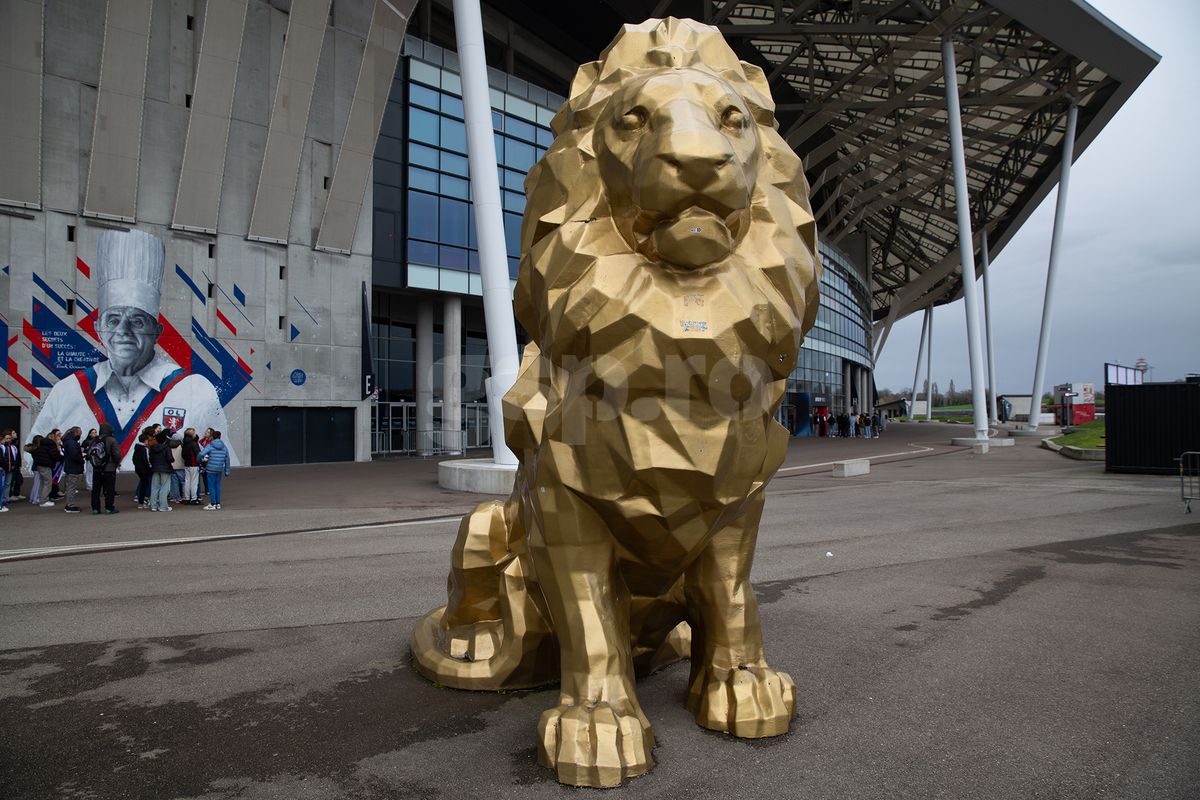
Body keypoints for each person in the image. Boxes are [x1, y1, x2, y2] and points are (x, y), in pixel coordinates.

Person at [30, 229, 235, 470]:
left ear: (157, 331)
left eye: (137, 321)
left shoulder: (195, 388)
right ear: (98, 329)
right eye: (113, 320)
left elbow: (225, 455)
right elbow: (31, 454)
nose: (123, 331)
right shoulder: (67, 391)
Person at [89, 423, 121, 515]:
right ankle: (109, 508)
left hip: (96, 468)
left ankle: (95, 508)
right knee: (109, 489)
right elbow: (116, 454)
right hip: (109, 468)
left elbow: (89, 454)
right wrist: (116, 463)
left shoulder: (94, 440)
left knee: (96, 489)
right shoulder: (111, 440)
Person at [30, 431, 63, 507]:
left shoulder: (42, 444)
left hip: (40, 464)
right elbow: (54, 455)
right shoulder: (51, 444)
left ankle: (41, 498)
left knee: (43, 482)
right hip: (46, 464)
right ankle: (44, 500)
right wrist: (62, 458)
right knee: (47, 482)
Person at [148, 430, 177, 512]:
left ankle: (153, 506)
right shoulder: (167, 448)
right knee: (165, 487)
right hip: (165, 469)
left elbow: (150, 459)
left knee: (154, 487)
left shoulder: (152, 448)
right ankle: (163, 506)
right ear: (164, 440)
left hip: (155, 468)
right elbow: (170, 458)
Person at [200, 430, 230, 510]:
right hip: (219, 469)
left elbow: (202, 454)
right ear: (220, 436)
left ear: (213, 437)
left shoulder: (210, 445)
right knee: (217, 485)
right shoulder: (224, 447)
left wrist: (199, 460)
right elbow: (227, 459)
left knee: (211, 486)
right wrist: (227, 471)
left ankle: (212, 503)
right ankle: (218, 503)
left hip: (210, 469)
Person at [61, 427, 85, 513]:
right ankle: (70, 506)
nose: (80, 435)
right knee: (71, 487)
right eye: (80, 433)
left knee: (70, 487)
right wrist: (81, 459)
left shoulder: (69, 441)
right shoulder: (71, 442)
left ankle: (69, 504)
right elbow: (74, 455)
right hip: (73, 467)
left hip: (71, 467)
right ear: (76, 432)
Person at [132, 430, 152, 508]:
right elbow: (146, 459)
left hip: (138, 468)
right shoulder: (145, 449)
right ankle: (142, 500)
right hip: (145, 469)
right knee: (145, 484)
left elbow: (134, 459)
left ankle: (140, 500)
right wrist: (149, 467)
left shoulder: (136, 448)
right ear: (145, 440)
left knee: (143, 484)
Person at [0, 429, 19, 512]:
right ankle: (1, 502)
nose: (8, 440)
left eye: (10, 438)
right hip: (3, 468)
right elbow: (2, 459)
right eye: (7, 438)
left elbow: (15, 457)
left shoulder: (12, 447)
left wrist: (14, 465)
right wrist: (4, 465)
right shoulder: (2, 447)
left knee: (8, 484)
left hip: (10, 468)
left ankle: (5, 500)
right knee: (2, 485)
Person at [181, 428, 201, 505]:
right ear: (192, 434)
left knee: (187, 481)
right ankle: (194, 498)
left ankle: (186, 498)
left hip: (187, 464)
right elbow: (198, 454)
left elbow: (182, 455)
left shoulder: (184, 443)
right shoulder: (194, 443)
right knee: (194, 482)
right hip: (194, 464)